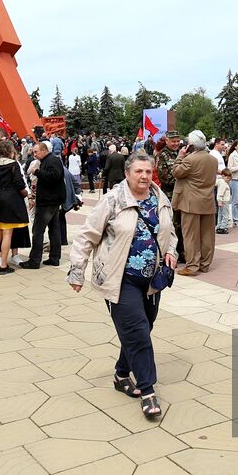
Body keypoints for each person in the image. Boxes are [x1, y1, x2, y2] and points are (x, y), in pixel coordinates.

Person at [67, 151, 176, 421]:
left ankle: (120, 374)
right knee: (138, 331)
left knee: (143, 326)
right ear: (127, 173)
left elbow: (170, 231)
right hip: (120, 279)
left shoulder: (160, 198)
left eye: (148, 172)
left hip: (152, 280)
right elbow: (87, 235)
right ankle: (148, 389)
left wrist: (171, 251)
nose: (144, 176)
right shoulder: (113, 200)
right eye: (138, 171)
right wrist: (77, 271)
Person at [172, 131, 220, 276]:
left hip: (191, 203)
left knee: (191, 235)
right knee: (207, 235)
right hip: (208, 201)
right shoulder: (213, 160)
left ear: (191, 145)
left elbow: (176, 172)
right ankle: (205, 264)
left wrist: (180, 156)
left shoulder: (189, 160)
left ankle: (192, 266)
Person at [0, 139, 29, 274]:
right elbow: (19, 182)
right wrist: (25, 193)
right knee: (7, 233)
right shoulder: (13, 164)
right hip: (10, 198)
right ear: (10, 150)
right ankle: (3, 265)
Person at [22, 141, 63, 270]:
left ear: (44, 150)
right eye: (33, 152)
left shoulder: (51, 160)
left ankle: (34, 260)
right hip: (51, 200)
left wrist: (38, 172)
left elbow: (55, 176)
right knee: (54, 230)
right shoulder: (48, 160)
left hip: (48, 202)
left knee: (38, 231)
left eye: (36, 152)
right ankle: (54, 258)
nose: (34, 154)